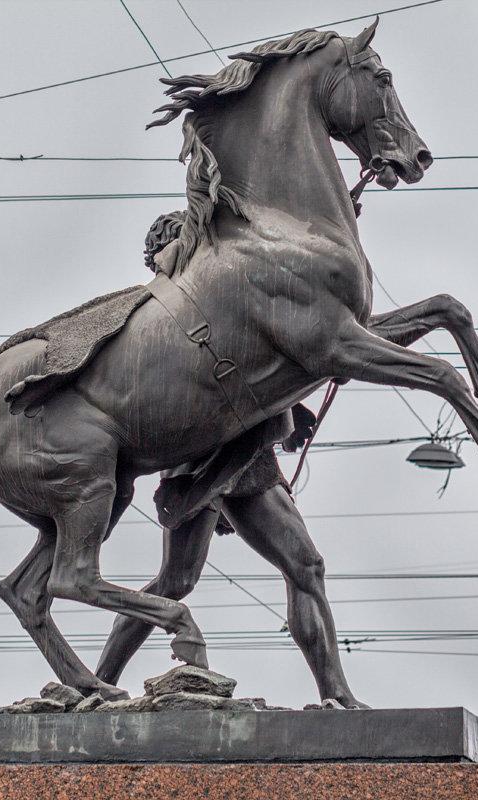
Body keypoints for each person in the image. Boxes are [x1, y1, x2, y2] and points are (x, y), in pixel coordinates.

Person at [93, 211, 365, 708]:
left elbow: (258, 359)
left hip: (249, 458)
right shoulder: (165, 316)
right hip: (197, 458)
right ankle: (95, 682)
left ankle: (336, 695)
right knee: (176, 581)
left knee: (306, 565)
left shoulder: (222, 298)